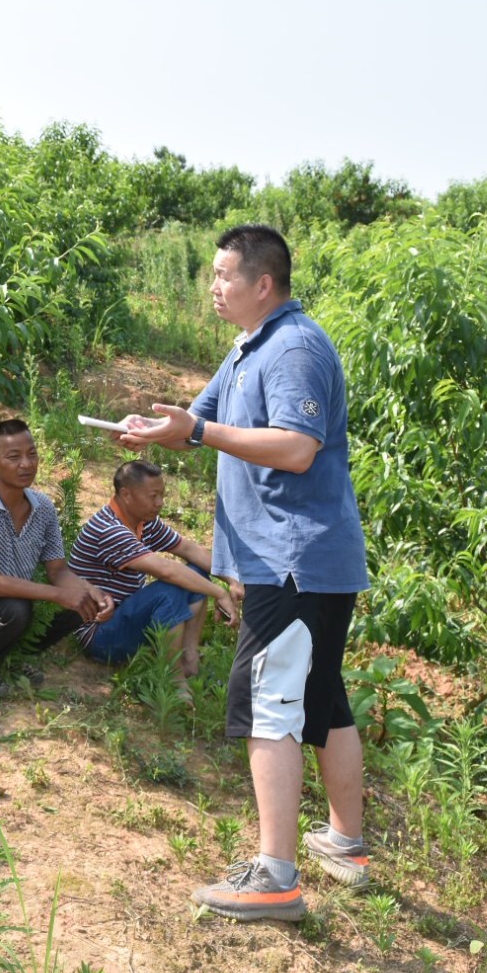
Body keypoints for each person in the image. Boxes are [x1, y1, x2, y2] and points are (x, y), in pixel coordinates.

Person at [120, 225, 371, 921]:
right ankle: (345, 843)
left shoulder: (293, 347)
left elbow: (295, 447)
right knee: (323, 696)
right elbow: (198, 424)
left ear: (263, 283)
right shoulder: (248, 347)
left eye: (224, 274)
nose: (212, 285)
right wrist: (159, 429)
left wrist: (197, 432)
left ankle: (275, 878)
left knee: (271, 704)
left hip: (292, 561)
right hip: (299, 561)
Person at [0, 418, 115, 695]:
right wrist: (57, 595)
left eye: (32, 454)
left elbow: (58, 571)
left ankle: (11, 656)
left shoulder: (43, 508)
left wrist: (92, 592)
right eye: (14, 457)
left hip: (9, 610)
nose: (26, 464)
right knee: (17, 608)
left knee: (80, 602)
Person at [66, 460, 235, 685]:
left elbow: (188, 549)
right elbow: (166, 570)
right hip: (100, 635)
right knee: (169, 590)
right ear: (126, 495)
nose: (160, 503)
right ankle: (174, 679)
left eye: (162, 495)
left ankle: (189, 659)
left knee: (197, 574)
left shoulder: (144, 522)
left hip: (126, 615)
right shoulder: (109, 529)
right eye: (153, 496)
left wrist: (234, 580)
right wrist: (219, 593)